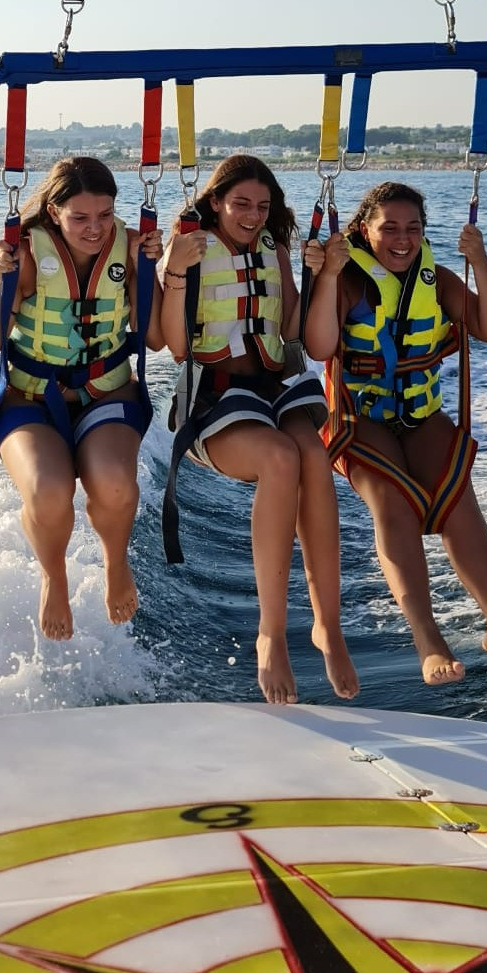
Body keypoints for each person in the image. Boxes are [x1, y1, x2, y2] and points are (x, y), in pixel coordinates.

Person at [303, 180, 487, 686]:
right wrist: (326, 277)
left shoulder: (438, 278)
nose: (402, 239)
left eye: (413, 229)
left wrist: (482, 258)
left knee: (456, 499)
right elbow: (320, 348)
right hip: (358, 420)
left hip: (421, 415)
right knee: (394, 503)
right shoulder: (346, 281)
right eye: (389, 228)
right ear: (366, 231)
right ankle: (427, 637)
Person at [160, 155, 358, 707]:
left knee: (314, 460)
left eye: (262, 206)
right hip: (215, 394)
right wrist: (175, 272)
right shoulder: (189, 250)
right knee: (280, 460)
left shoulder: (273, 250)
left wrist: (325, 278)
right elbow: (173, 344)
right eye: (240, 203)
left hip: (275, 384)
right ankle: (270, 634)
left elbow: (298, 334)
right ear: (216, 201)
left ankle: (327, 625)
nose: (251, 215)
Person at [0, 156, 163, 642]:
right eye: (80, 217)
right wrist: (0, 280)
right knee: (49, 490)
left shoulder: (131, 248)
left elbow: (154, 339)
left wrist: (154, 271)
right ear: (54, 213)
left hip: (107, 392)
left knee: (116, 483)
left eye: (104, 215)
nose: (95, 229)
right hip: (30, 399)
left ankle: (116, 562)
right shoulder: (26, 255)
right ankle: (54, 574)